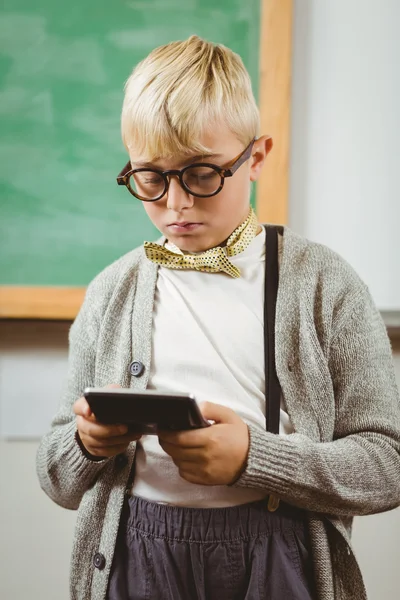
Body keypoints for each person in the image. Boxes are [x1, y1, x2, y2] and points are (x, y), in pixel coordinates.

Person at [36, 35, 400, 600]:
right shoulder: (112, 290)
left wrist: (257, 458)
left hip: (277, 557)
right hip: (140, 555)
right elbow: (56, 478)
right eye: (150, 178)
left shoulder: (326, 284)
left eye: (202, 174)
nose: (175, 204)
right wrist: (87, 443)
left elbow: (387, 464)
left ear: (254, 159)